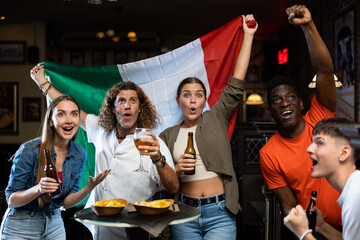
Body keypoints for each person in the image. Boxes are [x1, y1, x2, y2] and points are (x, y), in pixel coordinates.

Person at [30, 66, 179, 239]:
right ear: (113, 108)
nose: (127, 106)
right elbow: (71, 112)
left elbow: (173, 186)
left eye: (133, 101)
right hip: (101, 227)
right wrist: (43, 83)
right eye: (121, 101)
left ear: (139, 108)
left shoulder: (153, 142)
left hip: (135, 229)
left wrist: (158, 159)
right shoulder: (101, 131)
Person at [159, 14, 257, 239]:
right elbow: (159, 181)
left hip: (220, 212)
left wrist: (248, 36)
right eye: (187, 95)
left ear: (205, 101)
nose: (192, 100)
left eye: (198, 95)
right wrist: (176, 169)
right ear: (178, 101)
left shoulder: (216, 117)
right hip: (184, 213)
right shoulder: (167, 136)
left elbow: (236, 83)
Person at [259, 4, 342, 231]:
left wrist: (308, 25)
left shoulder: (320, 117)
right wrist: (309, 234)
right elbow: (289, 207)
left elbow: (325, 71)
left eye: (289, 97)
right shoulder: (269, 153)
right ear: (270, 111)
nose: (284, 102)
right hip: (318, 230)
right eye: (276, 100)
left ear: (301, 103)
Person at [0, 95, 110, 239]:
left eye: (74, 114)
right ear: (51, 121)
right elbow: (12, 200)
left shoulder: (79, 153)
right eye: (61, 114)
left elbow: (66, 202)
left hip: (54, 224)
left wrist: (88, 188)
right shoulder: (29, 150)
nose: (69, 120)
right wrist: (38, 189)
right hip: (21, 225)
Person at [284, 117, 360, 240]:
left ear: (343, 153)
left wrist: (303, 233)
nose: (309, 149)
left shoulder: (356, 196)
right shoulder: (354, 188)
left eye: (320, 143)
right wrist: (322, 227)